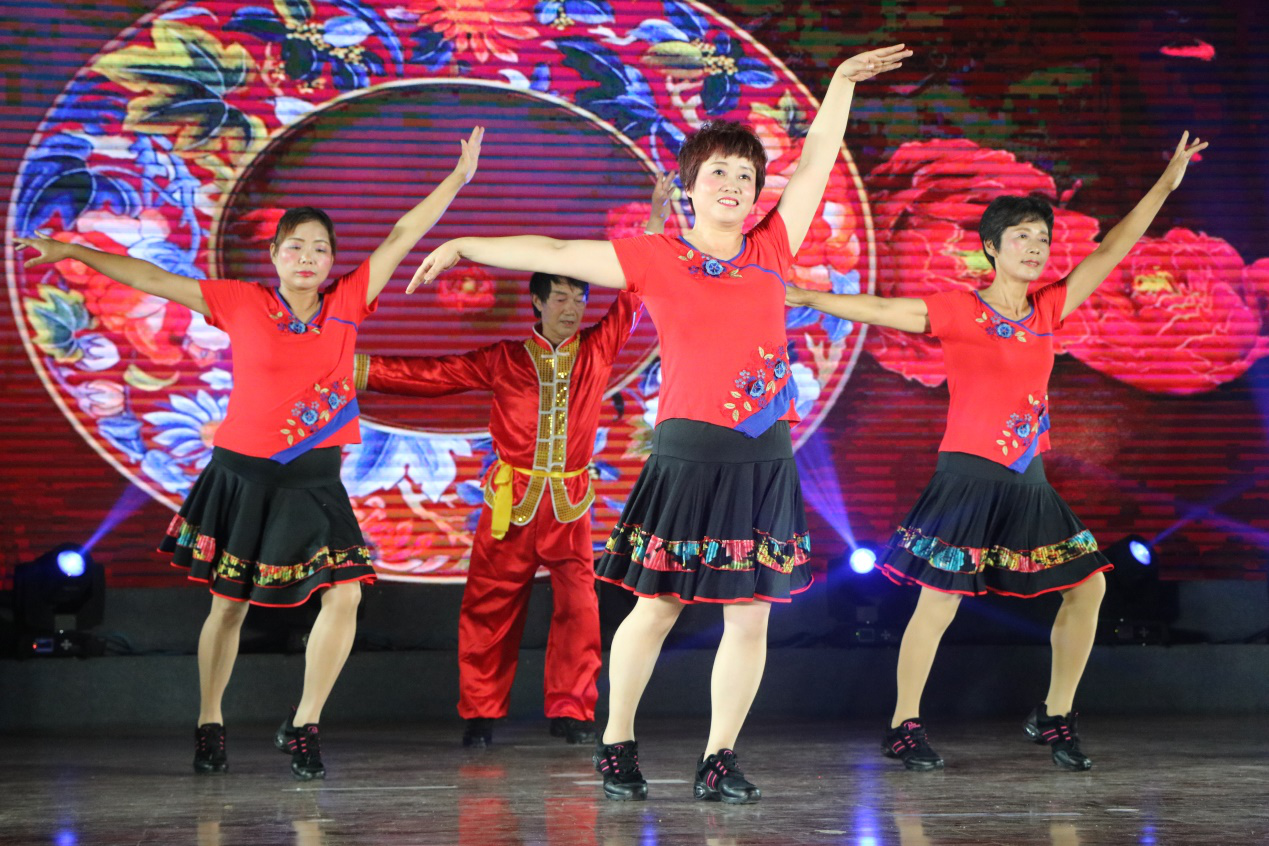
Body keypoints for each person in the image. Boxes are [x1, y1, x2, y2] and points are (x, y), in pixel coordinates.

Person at [406, 45, 910, 803]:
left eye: (746, 176)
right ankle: (616, 741)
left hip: (763, 457)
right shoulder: (654, 257)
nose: (734, 185)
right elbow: (554, 249)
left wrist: (837, 84)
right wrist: (461, 244)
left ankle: (719, 758)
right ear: (688, 186)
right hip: (686, 455)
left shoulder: (773, 246)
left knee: (751, 616)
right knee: (659, 605)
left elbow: (814, 164)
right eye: (719, 173)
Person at [15, 127, 485, 780]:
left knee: (346, 596)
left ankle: (304, 723)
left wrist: (458, 179)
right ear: (274, 254)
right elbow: (152, 277)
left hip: (315, 481)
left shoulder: (348, 302)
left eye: (320, 249)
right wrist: (71, 249)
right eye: (295, 247)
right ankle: (210, 721)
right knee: (229, 606)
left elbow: (403, 234)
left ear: (332, 260)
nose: (307, 257)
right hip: (241, 477)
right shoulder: (242, 302)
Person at [785, 132, 1208, 772]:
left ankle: (1055, 715)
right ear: (990, 248)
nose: (1035, 248)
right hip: (967, 479)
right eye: (1021, 238)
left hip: (1028, 482)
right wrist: (809, 297)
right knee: (938, 601)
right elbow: (879, 307)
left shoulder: (1049, 308)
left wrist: (1165, 185)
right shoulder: (960, 310)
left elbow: (1114, 247)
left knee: (1088, 587)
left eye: (1042, 239)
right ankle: (902, 725)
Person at [353, 175, 673, 748]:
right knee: (489, 606)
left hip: (570, 506)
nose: (572, 308)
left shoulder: (597, 349)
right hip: (510, 503)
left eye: (579, 298)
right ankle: (480, 712)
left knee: (580, 608)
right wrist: (350, 366)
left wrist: (655, 221)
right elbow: (431, 375)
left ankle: (572, 710)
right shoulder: (504, 359)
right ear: (537, 302)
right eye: (561, 298)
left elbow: (634, 291)